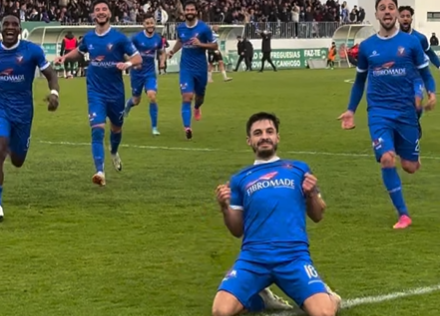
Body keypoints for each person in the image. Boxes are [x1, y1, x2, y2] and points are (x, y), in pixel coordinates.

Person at [213, 112, 341, 316]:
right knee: (220, 311)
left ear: (277, 137)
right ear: (249, 141)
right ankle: (260, 299)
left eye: (269, 132)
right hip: (253, 258)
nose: (264, 137)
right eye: (258, 133)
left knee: (324, 313)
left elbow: (318, 215)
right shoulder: (239, 179)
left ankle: (330, 298)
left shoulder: (298, 169)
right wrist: (224, 207)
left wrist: (311, 195)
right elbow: (237, 230)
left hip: (294, 257)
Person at [338, 0, 436, 229]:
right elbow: (360, 82)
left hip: (406, 112)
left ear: (397, 12)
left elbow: (426, 72)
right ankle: (403, 214)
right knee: (386, 158)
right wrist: (351, 110)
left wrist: (431, 92)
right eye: (383, 8)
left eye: (391, 8)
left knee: (411, 166)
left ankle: (407, 149)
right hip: (379, 112)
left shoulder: (411, 43)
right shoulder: (367, 47)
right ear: (377, 14)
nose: (387, 12)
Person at [55, 0, 142, 186]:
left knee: (116, 129)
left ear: (109, 14)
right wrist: (65, 57)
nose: (100, 12)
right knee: (97, 130)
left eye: (104, 9)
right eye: (97, 10)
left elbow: (137, 57)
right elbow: (79, 52)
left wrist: (127, 64)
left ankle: (113, 152)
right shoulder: (88, 38)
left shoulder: (119, 38)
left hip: (116, 92)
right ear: (93, 15)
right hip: (95, 91)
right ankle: (100, 171)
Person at [0, 15, 59, 221]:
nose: (9, 27)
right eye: (6, 24)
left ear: (20, 29)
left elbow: (51, 75)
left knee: (17, 160)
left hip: (23, 113)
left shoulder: (31, 51)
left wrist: (54, 94)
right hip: (1, 109)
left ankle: (11, 145)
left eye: (14, 24)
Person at [168, 0, 218, 139]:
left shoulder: (204, 28)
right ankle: (187, 127)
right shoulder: (181, 28)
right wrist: (172, 51)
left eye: (192, 10)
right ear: (184, 12)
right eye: (187, 10)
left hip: (201, 68)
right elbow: (180, 41)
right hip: (186, 68)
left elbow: (215, 46)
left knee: (199, 97)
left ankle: (197, 107)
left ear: (196, 12)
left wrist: (201, 44)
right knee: (186, 97)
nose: (189, 12)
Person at [398, 5, 440, 138]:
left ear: (411, 19)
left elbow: (431, 53)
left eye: (408, 16)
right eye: (402, 16)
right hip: (399, 77)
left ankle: (415, 122)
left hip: (416, 77)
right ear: (398, 18)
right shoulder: (393, 37)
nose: (405, 19)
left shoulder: (420, 38)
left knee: (416, 102)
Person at [124, 14, 165, 136]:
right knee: (136, 101)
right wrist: (133, 63)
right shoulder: (136, 38)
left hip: (150, 73)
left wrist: (162, 61)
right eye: (147, 23)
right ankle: (128, 105)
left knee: (152, 96)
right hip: (136, 73)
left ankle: (154, 128)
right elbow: (126, 52)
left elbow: (162, 52)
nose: (150, 25)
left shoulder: (158, 38)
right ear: (143, 25)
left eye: (152, 23)